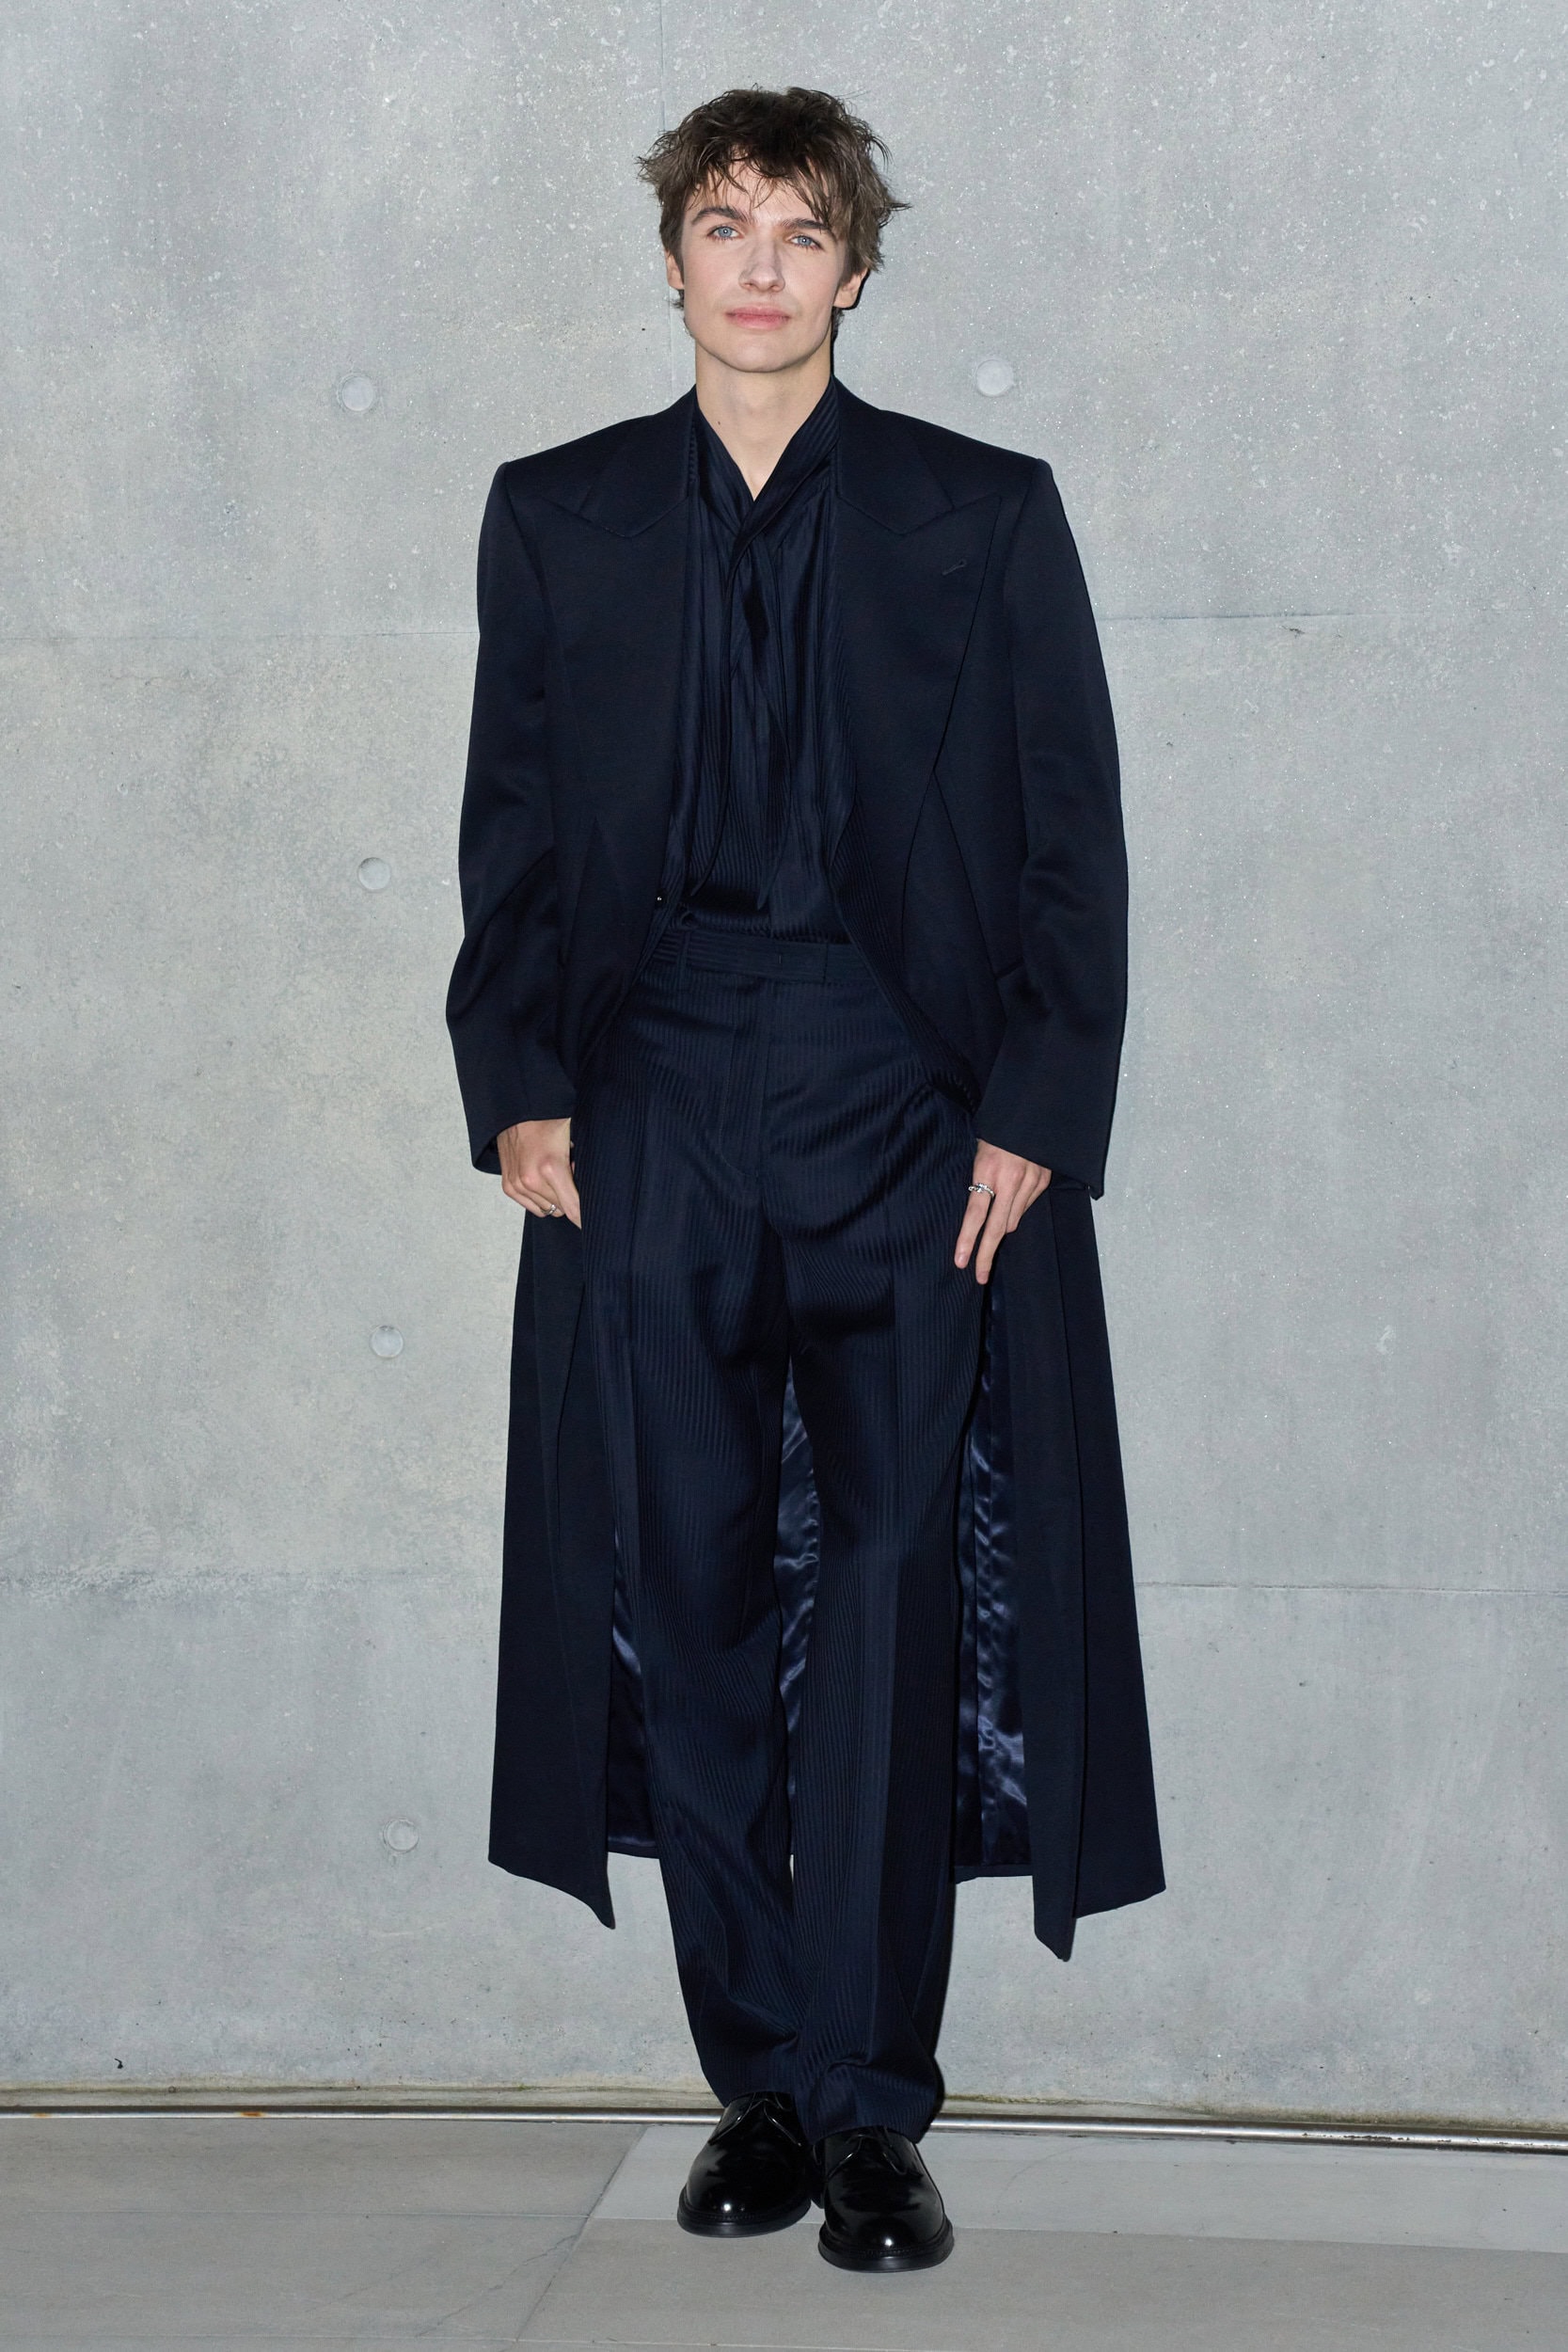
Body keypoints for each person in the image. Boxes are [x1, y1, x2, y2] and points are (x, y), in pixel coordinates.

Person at [446, 85, 1163, 2275]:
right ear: (672, 258)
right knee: (687, 1588)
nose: (760, 268)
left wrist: (1033, 1102)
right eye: (724, 226)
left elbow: (1073, 839)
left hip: (897, 1100)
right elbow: (513, 834)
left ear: (858, 266)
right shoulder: (556, 515)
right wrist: (519, 1081)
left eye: (801, 232)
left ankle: (869, 2103)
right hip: (654, 1090)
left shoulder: (983, 513)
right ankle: (753, 2081)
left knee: (888, 1587)